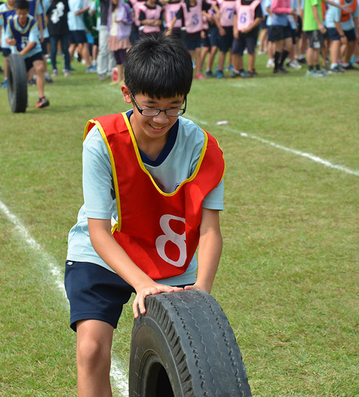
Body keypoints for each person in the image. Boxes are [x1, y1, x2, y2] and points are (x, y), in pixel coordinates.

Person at [65, 33, 225, 396]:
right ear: (127, 95)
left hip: (168, 255)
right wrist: (140, 283)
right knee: (91, 350)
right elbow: (99, 231)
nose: (161, 118)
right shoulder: (102, 140)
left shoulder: (201, 146)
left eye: (173, 107)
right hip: (103, 253)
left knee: (182, 364)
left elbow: (210, 230)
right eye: (150, 106)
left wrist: (202, 291)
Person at [5, 0, 50, 108]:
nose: (21, 16)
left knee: (40, 68)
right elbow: (8, 37)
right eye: (19, 13)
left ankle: (41, 97)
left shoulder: (33, 22)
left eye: (24, 14)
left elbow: (32, 42)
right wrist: (9, 41)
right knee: (21, 77)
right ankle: (22, 99)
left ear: (28, 12)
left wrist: (20, 55)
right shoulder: (10, 22)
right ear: (16, 11)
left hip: (33, 51)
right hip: (18, 53)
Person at [324, 0, 359, 72]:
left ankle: (346, 63)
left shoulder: (356, 2)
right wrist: (342, 35)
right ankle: (334, 65)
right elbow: (336, 21)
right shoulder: (338, 2)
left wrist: (357, 33)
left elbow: (355, 18)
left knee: (352, 41)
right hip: (333, 23)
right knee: (336, 41)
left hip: (346, 22)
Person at [230, 0, 263, 78]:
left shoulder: (256, 3)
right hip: (239, 30)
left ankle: (250, 70)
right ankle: (236, 70)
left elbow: (258, 18)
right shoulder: (238, 2)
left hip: (251, 32)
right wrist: (235, 29)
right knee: (235, 51)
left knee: (251, 51)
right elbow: (236, 15)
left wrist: (249, 28)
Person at [106, 0, 131, 84]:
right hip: (113, 34)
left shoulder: (125, 6)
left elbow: (130, 19)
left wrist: (123, 21)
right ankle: (119, 78)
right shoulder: (111, 9)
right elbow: (109, 23)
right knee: (117, 57)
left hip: (122, 35)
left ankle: (126, 78)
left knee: (123, 56)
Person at [46, 0, 72, 76]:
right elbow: (46, 15)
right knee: (53, 49)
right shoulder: (49, 3)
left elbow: (66, 13)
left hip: (64, 29)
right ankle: (54, 68)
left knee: (65, 49)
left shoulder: (65, 1)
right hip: (53, 30)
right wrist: (50, 25)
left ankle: (67, 68)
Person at [0, 0, 17, 87]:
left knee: (17, 58)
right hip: (5, 37)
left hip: (16, 38)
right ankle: (6, 79)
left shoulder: (18, 7)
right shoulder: (1, 8)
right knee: (6, 59)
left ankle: (17, 78)